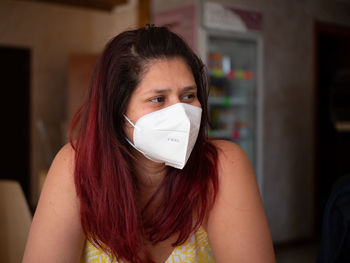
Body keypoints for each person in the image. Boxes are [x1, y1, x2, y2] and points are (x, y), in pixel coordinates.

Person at [22, 26, 276, 263]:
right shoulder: (76, 165)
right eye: (158, 99)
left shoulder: (223, 164)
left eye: (189, 96)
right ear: (116, 111)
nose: (181, 113)